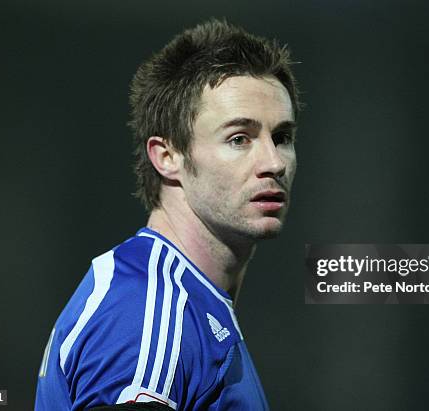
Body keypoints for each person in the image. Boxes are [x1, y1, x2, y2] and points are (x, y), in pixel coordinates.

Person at [35, 18, 300, 411]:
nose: (274, 162)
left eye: (281, 137)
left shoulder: (185, 301)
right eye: (239, 138)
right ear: (167, 156)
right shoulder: (151, 310)